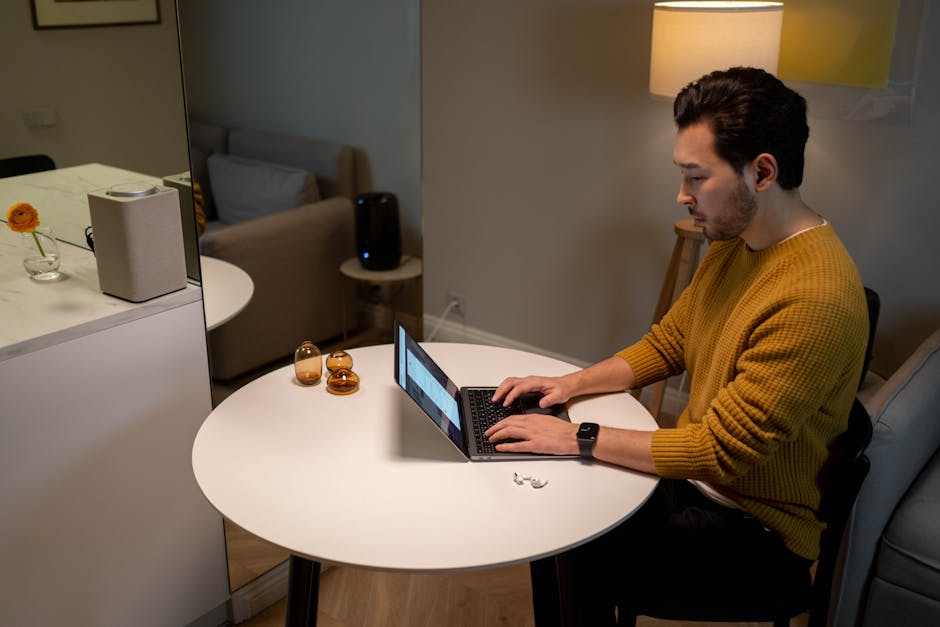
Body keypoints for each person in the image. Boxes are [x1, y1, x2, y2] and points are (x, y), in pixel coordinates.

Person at [485, 67, 869, 624]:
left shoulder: (815, 299)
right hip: (698, 485)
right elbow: (670, 342)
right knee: (558, 498)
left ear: (762, 172)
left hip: (754, 531)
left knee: (563, 530)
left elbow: (719, 452)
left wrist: (577, 435)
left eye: (696, 177)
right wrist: (571, 384)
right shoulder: (739, 243)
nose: (682, 194)